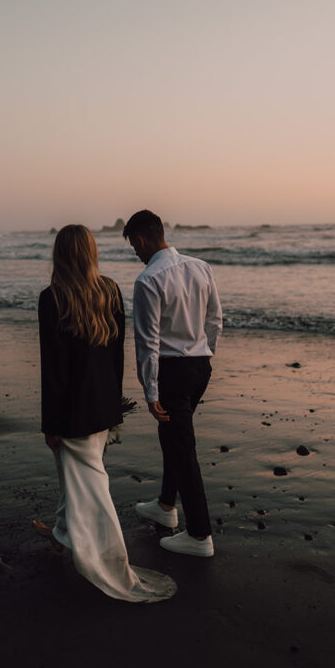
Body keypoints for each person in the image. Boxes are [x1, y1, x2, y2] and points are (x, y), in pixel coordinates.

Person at [33, 224, 176, 603]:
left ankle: (114, 565)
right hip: (101, 405)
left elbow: (54, 369)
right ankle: (63, 536)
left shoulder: (52, 298)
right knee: (79, 477)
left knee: (92, 486)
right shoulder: (109, 290)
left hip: (71, 411)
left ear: (60, 254)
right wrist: (114, 408)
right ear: (91, 252)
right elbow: (117, 357)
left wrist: (51, 426)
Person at [123, 210, 222, 558]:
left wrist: (150, 391)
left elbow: (147, 342)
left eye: (133, 246)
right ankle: (165, 506)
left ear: (141, 240)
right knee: (174, 437)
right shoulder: (201, 267)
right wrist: (205, 354)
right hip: (199, 367)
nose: (135, 253)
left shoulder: (148, 280)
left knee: (182, 446)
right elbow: (215, 320)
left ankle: (199, 535)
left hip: (172, 371)